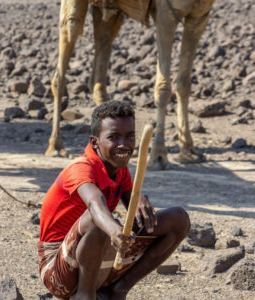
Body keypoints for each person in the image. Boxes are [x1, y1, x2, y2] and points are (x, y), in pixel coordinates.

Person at [38, 100, 190, 300]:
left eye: (129, 136)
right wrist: (114, 230)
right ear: (94, 142)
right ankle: (85, 296)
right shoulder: (81, 168)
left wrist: (139, 201)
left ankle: (118, 291)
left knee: (177, 219)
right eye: (114, 137)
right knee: (97, 220)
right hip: (59, 273)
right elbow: (95, 204)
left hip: (100, 261)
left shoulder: (119, 168)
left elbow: (131, 203)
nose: (124, 145)